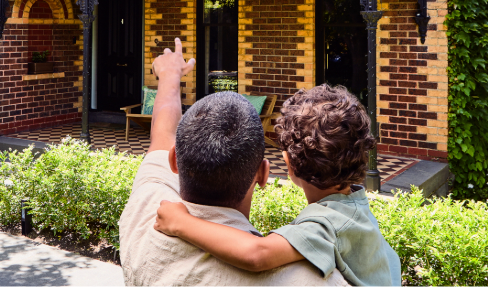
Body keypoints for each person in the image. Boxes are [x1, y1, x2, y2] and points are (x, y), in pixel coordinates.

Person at [118, 38, 350, 286]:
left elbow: (161, 135)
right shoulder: (310, 279)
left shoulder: (148, 211)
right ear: (263, 174)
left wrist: (169, 74)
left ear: (174, 160)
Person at [153, 84, 401, 287]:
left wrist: (180, 223)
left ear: (289, 164)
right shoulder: (354, 205)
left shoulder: (325, 224)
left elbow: (257, 254)